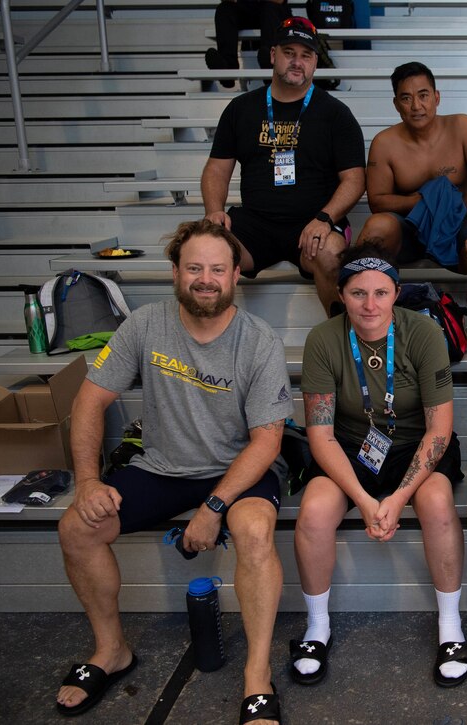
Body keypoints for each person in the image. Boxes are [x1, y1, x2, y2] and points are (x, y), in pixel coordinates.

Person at [55, 219, 291, 724]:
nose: (206, 279)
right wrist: (89, 480)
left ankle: (256, 676)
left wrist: (212, 508)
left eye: (217, 269)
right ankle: (111, 650)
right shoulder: (144, 325)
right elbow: (89, 401)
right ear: (175, 273)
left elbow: (268, 439)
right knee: (77, 527)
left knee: (251, 531)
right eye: (194, 268)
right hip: (163, 467)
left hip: (240, 468)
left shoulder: (259, 340)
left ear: (234, 277)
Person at [291, 244, 467, 688]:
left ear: (396, 292)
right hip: (352, 444)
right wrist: (365, 500)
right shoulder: (323, 339)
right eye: (357, 293)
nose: (370, 305)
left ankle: (451, 626)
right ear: (341, 293)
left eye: (380, 292)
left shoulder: (424, 335)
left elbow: (439, 431)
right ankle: (317, 626)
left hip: (417, 443)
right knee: (313, 512)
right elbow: (321, 433)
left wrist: (397, 497)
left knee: (436, 503)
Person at [202, 16, 365, 315]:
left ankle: (339, 339)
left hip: (312, 222)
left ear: (315, 62)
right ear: (273, 54)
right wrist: (214, 209)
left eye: (306, 55)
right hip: (255, 223)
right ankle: (210, 341)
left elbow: (354, 179)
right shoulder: (241, 109)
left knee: (331, 254)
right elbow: (216, 168)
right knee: (207, 253)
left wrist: (325, 218)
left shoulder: (335, 114)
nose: (297, 62)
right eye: (289, 53)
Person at [355, 62, 467, 341]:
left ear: (436, 97)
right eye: (406, 98)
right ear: (396, 104)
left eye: (423, 95)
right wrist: (424, 201)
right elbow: (377, 201)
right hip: (407, 230)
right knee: (376, 227)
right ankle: (372, 331)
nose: (416, 105)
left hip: (453, 226)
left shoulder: (462, 126)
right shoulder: (385, 142)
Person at [205, 1, 293, 89]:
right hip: (247, 10)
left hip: (273, 10)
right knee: (224, 8)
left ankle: (271, 61)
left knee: (270, 8)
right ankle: (227, 68)